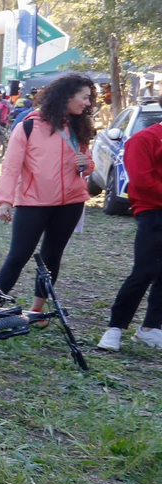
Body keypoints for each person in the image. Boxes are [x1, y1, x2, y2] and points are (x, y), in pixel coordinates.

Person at [0, 73, 95, 314]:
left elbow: (88, 164)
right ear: (67, 96)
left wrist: (86, 164)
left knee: (52, 256)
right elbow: (11, 167)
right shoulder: (28, 125)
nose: (87, 103)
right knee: (18, 255)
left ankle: (37, 310)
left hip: (71, 202)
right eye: (84, 97)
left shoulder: (79, 126)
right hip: (33, 202)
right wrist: (5, 201)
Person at [98, 112, 162, 350]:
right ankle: (115, 328)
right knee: (144, 271)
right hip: (153, 213)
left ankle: (151, 328)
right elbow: (142, 181)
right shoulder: (144, 139)